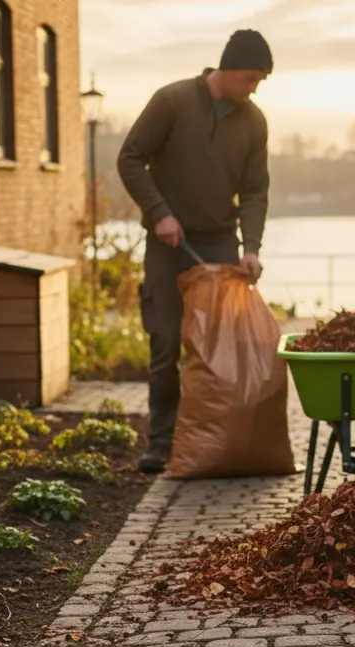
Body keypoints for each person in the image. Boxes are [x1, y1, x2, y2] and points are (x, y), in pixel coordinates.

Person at [117, 30, 273, 473]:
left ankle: (220, 441)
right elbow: (130, 157)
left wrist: (252, 248)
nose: (253, 88)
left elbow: (256, 191)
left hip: (221, 244)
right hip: (170, 243)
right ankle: (162, 444)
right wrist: (159, 212)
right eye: (250, 78)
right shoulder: (172, 101)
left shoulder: (254, 121)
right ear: (226, 67)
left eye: (259, 81)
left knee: (220, 347)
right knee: (166, 342)